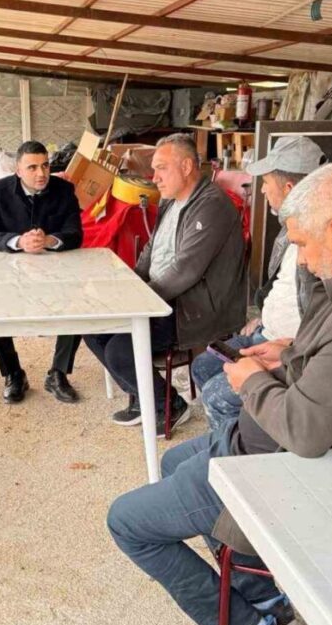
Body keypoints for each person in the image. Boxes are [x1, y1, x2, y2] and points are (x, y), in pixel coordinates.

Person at [106, 163, 332, 625]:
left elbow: (306, 432)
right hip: (308, 443)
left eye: (303, 245)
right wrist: (290, 353)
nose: (305, 262)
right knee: (173, 461)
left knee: (127, 522)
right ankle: (266, 599)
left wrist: (252, 381)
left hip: (285, 464)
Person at [84, 133, 247, 436]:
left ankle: (168, 406)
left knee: (121, 350)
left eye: (161, 168)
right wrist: (129, 285)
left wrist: (139, 300)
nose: (154, 177)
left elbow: (186, 271)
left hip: (194, 308)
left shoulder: (211, 205)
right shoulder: (172, 201)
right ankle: (142, 395)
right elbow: (151, 250)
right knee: (93, 326)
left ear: (186, 167)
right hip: (163, 298)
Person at [190, 136, 324, 433]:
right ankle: (239, 430)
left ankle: (245, 446)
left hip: (292, 348)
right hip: (266, 333)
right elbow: (284, 288)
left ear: (289, 189)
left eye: (266, 183)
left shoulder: (321, 240)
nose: (262, 190)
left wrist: (293, 347)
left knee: (216, 395)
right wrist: (263, 316)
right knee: (203, 366)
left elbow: (324, 315)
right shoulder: (289, 227)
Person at [0, 140, 84, 404]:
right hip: (10, 271)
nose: (41, 173)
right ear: (18, 170)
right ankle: (13, 374)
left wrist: (50, 240)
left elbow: (75, 234)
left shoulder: (64, 190)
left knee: (79, 302)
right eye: (32, 167)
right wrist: (19, 241)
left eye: (45, 166)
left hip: (55, 271)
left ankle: (58, 373)